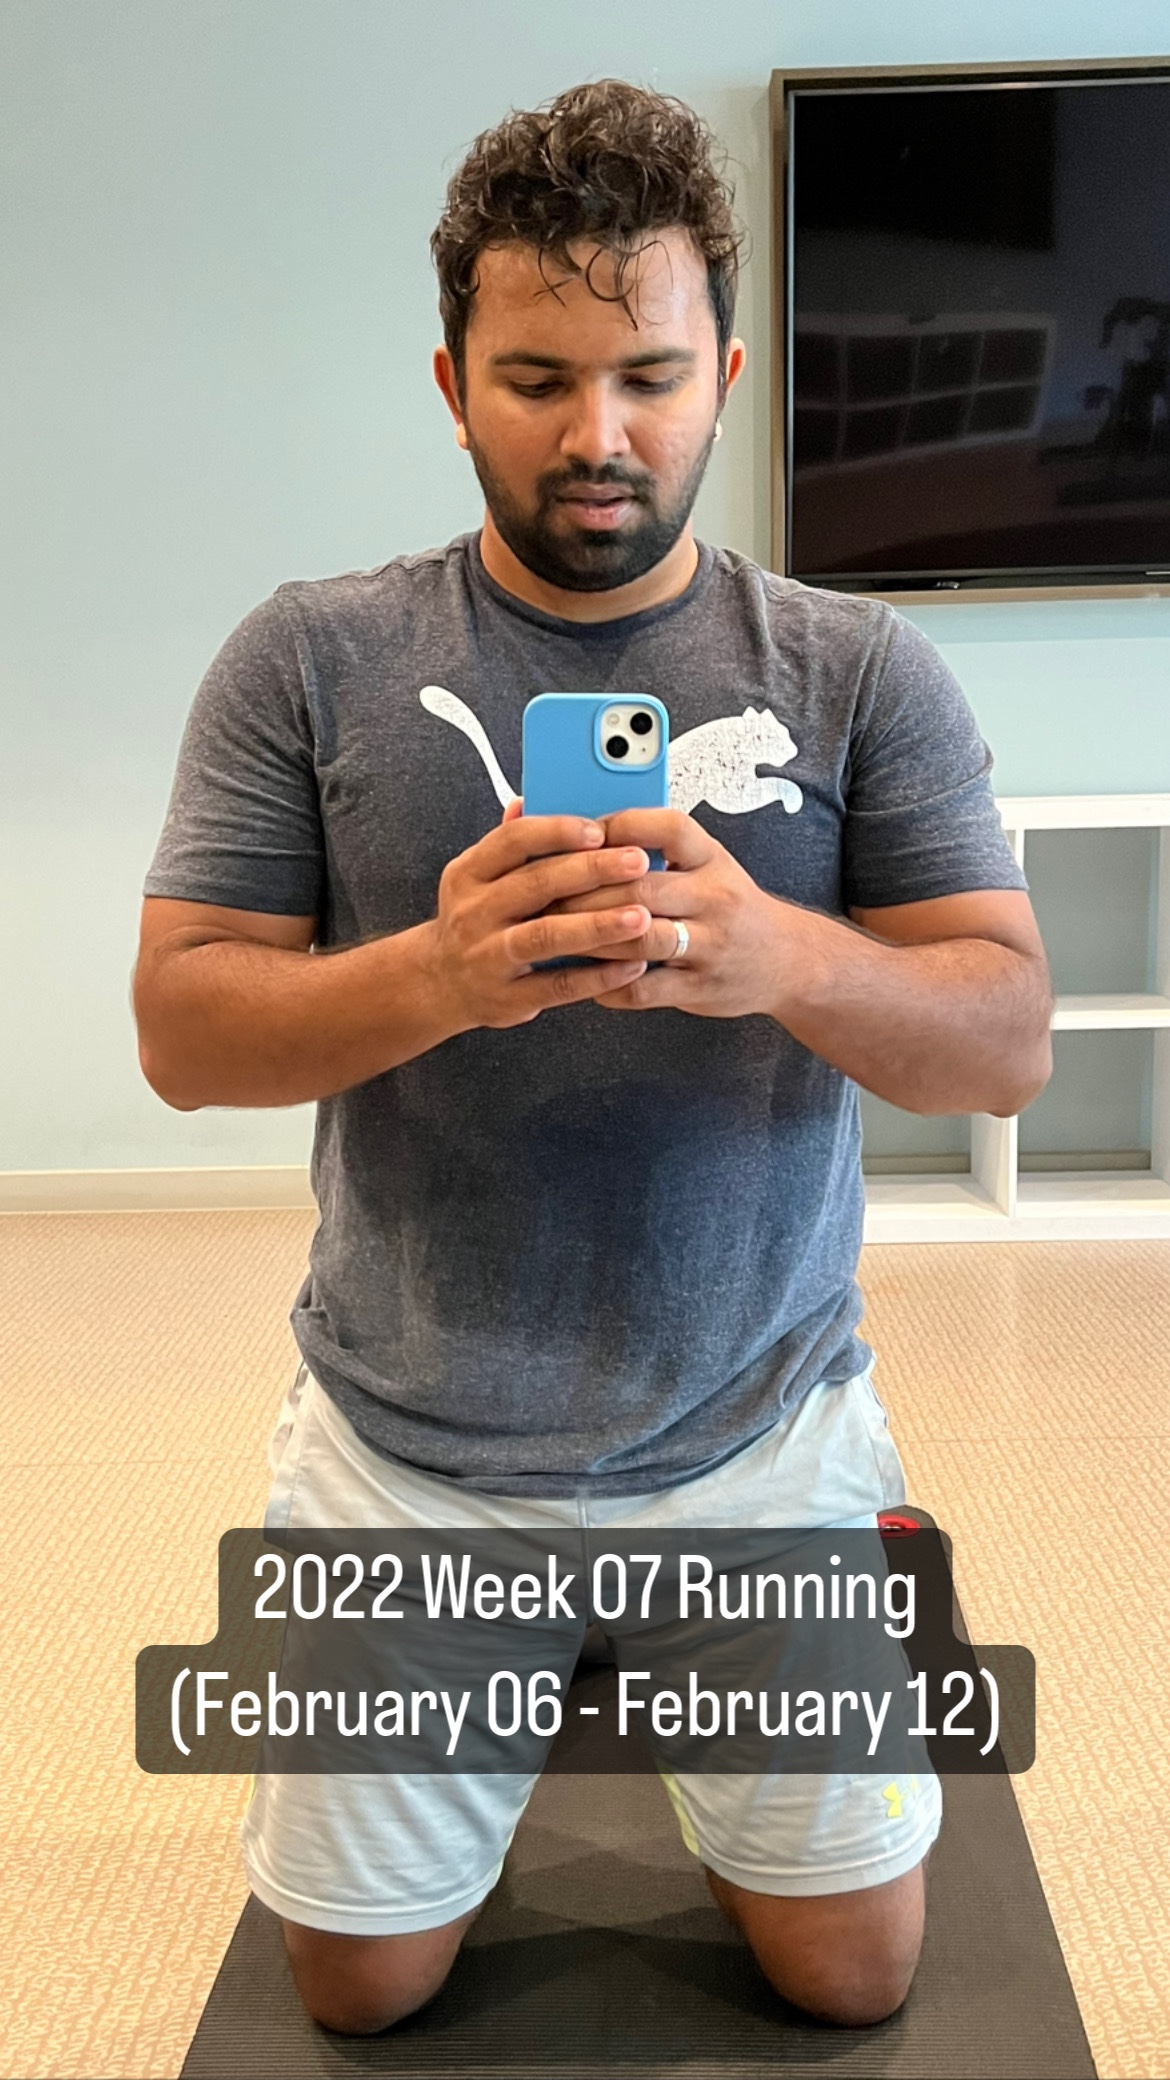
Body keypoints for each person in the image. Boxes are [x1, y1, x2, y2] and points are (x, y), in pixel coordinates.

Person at [133, 79, 1053, 2037]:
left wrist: (776, 953)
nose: (600, 433)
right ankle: (526, 1668)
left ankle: (633, 1661)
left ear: (725, 376)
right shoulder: (308, 658)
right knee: (361, 1988)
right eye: (538, 378)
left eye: (649, 375)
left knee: (855, 1974)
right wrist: (441, 973)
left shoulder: (857, 671)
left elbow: (1001, 1043)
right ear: (452, 385)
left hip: (761, 1431)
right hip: (408, 1447)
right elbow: (182, 1033)